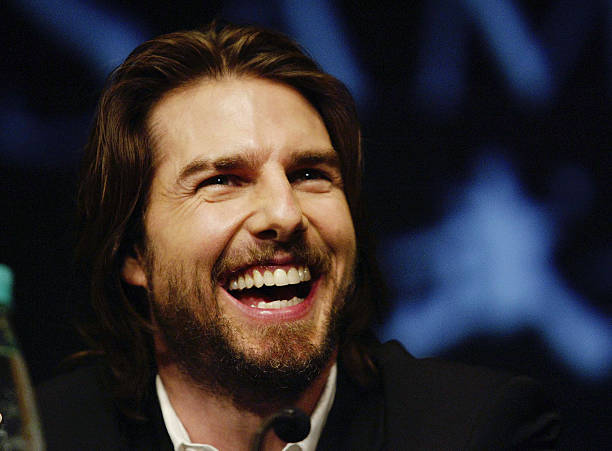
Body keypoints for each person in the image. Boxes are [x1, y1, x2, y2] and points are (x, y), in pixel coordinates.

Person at [36, 21, 560, 450]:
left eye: (310, 174)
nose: (284, 214)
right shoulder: (39, 438)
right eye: (222, 181)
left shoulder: (480, 432)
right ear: (134, 253)